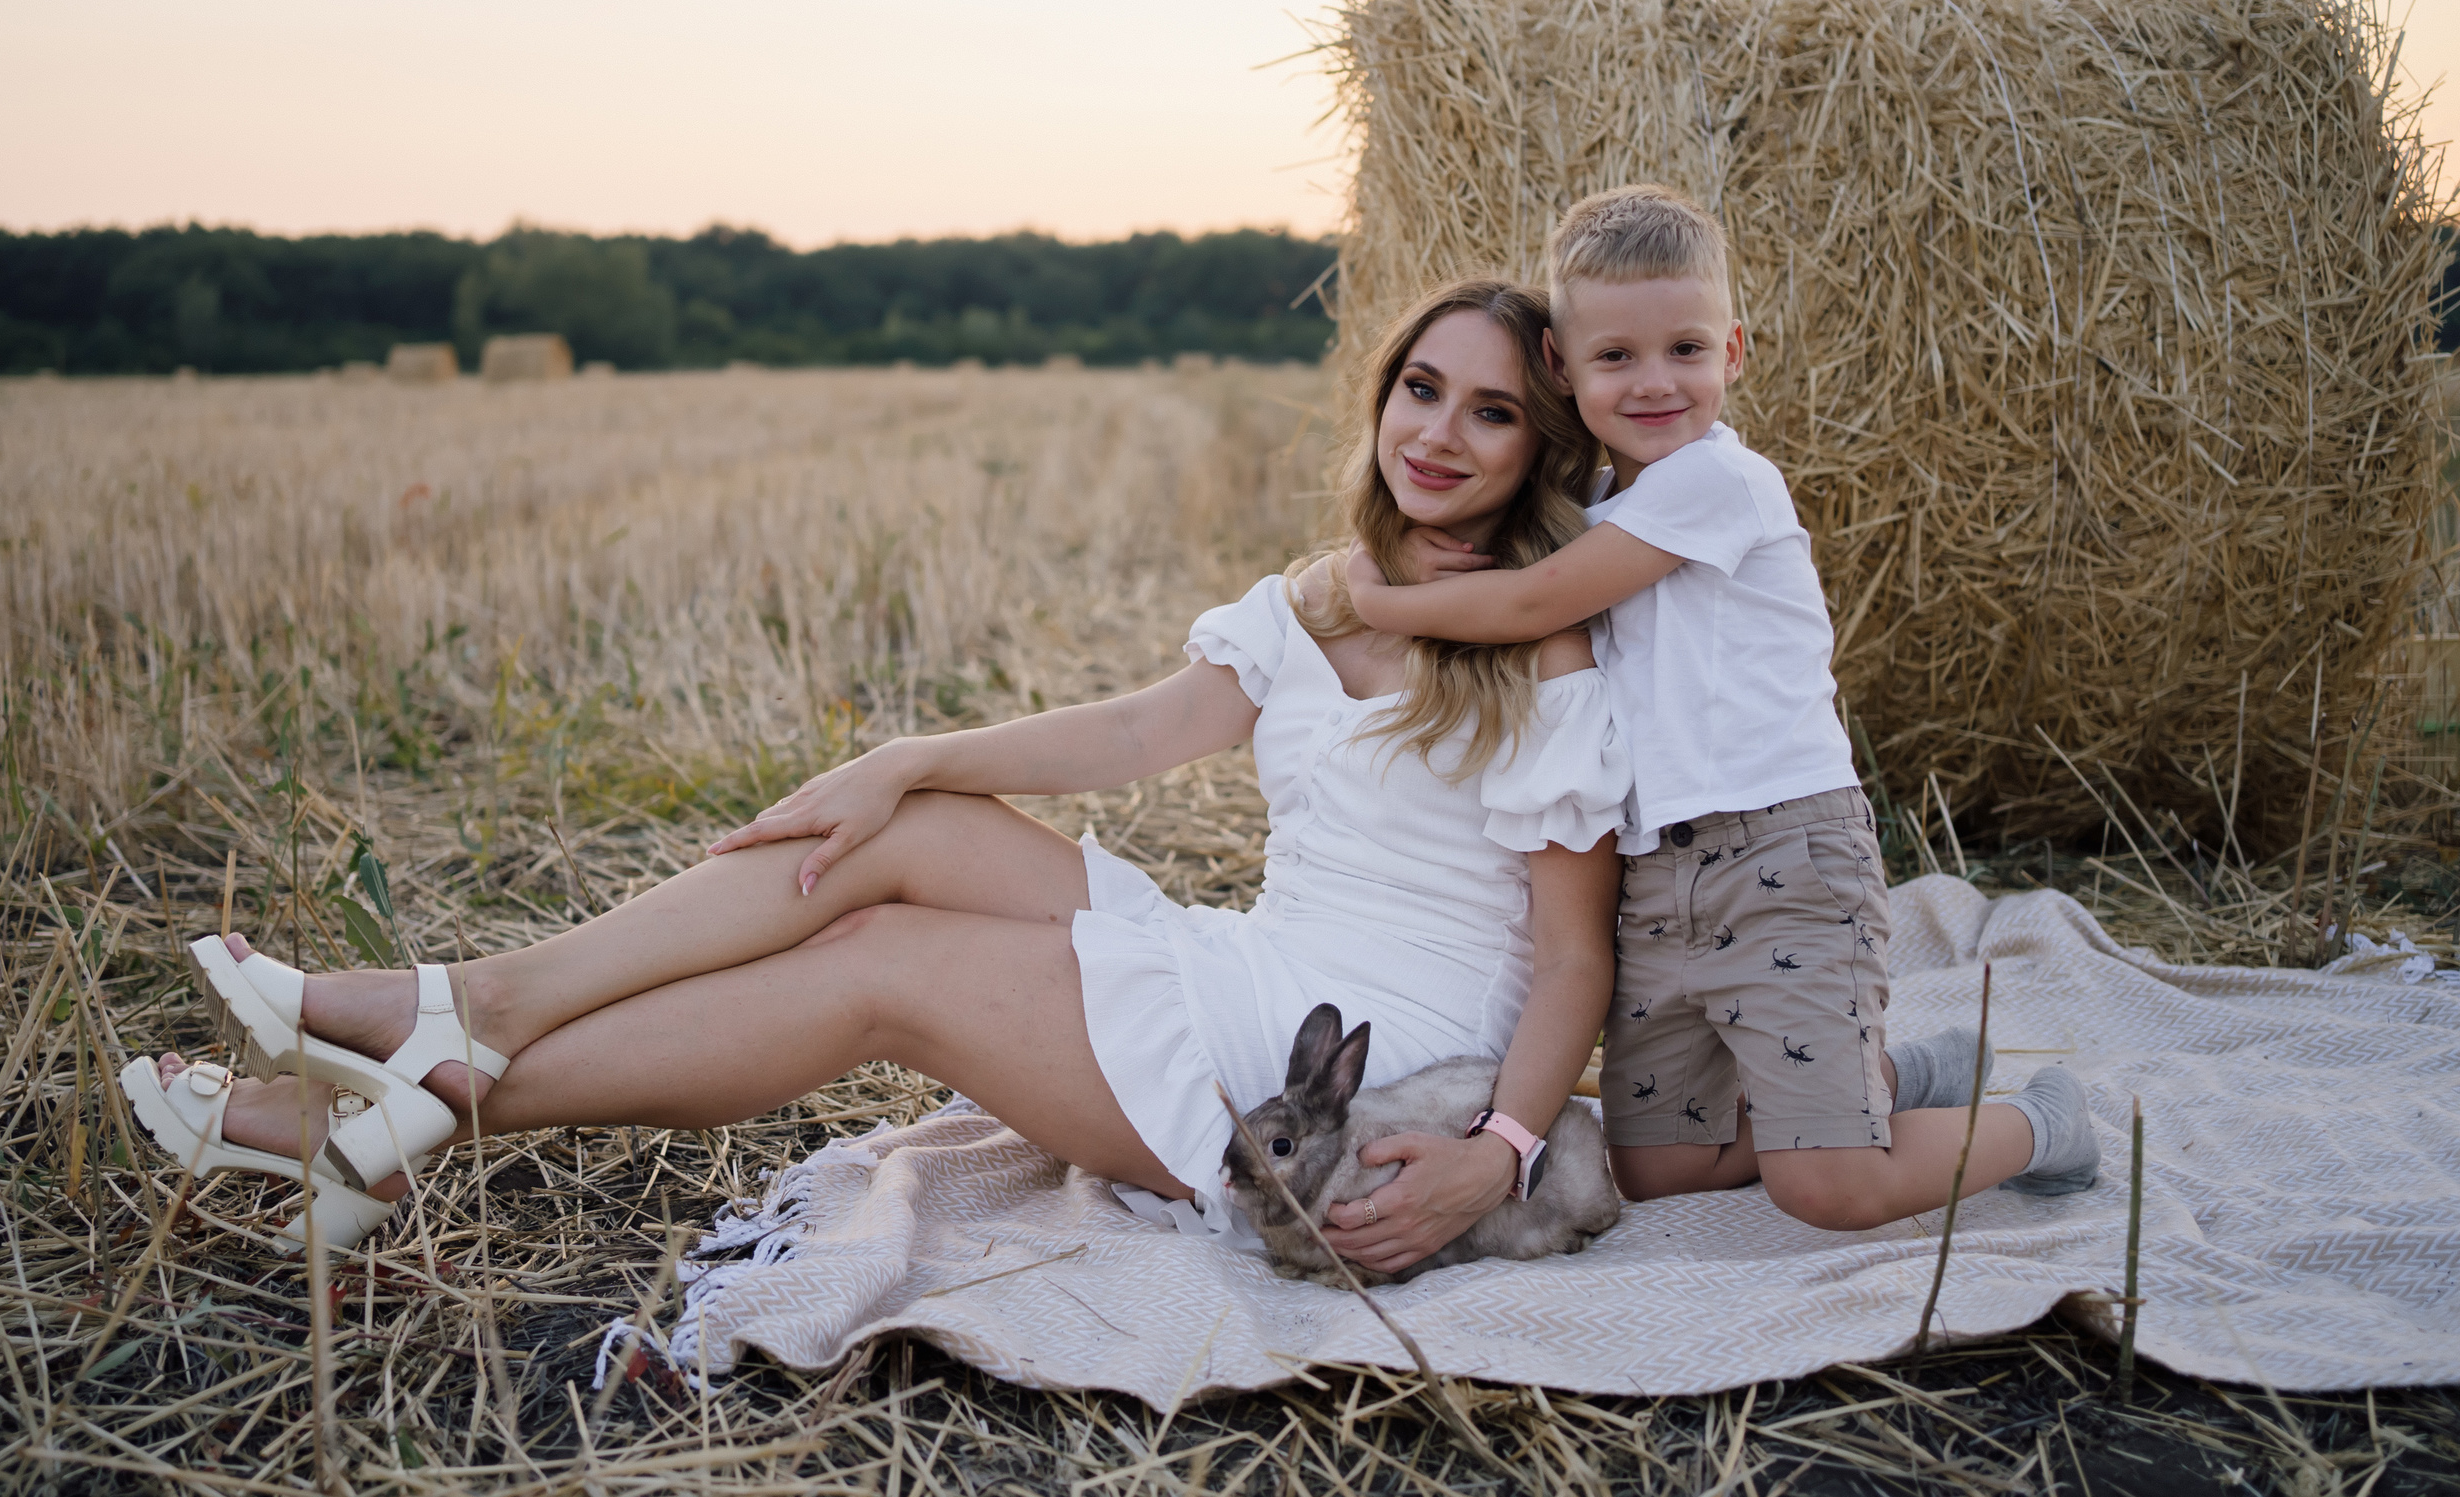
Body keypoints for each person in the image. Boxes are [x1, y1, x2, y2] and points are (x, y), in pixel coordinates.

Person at [123, 278, 1633, 1273]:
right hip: (1260, 952)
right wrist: (902, 754)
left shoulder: (1542, 652)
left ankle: (400, 1102)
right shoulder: (1324, 595)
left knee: (882, 966)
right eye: (1421, 387)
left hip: (1363, 1054)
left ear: (1536, 444)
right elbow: (1128, 739)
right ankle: (484, 1002)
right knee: (902, 827)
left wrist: (1493, 1156)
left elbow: (1575, 955)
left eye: (1491, 409)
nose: (1438, 431)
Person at [1344, 186, 2099, 1231]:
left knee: (1826, 1188)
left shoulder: (1717, 483)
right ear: (1562, 366)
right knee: (1657, 1166)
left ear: (1734, 352)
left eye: (1685, 350)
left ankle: (2039, 1122)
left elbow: (1530, 603)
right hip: (1656, 880)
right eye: (1615, 358)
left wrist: (1375, 595)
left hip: (1782, 859)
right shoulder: (1601, 512)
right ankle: (1891, 1076)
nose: (1655, 382)